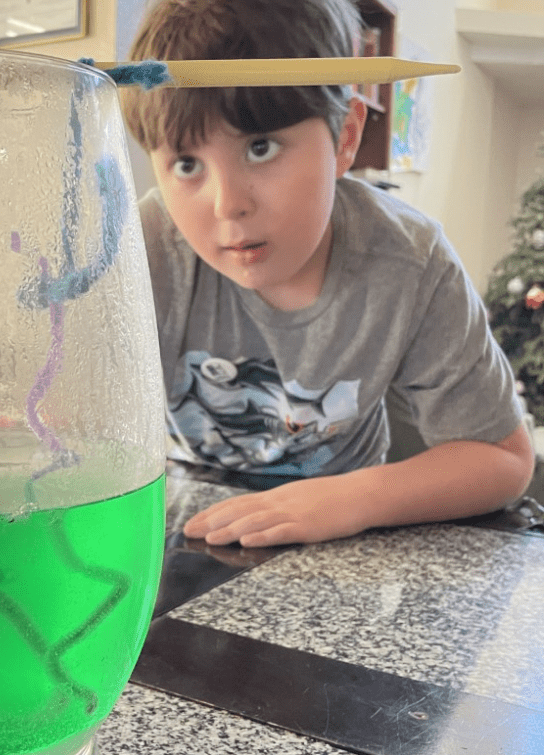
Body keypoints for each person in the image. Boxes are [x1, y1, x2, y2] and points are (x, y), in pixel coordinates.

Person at [121, 0, 535, 548]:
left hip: (342, 533)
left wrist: (357, 498)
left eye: (261, 147)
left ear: (345, 139)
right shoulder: (138, 246)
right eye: (187, 164)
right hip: (182, 525)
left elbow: (503, 459)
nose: (227, 205)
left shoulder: (412, 262)